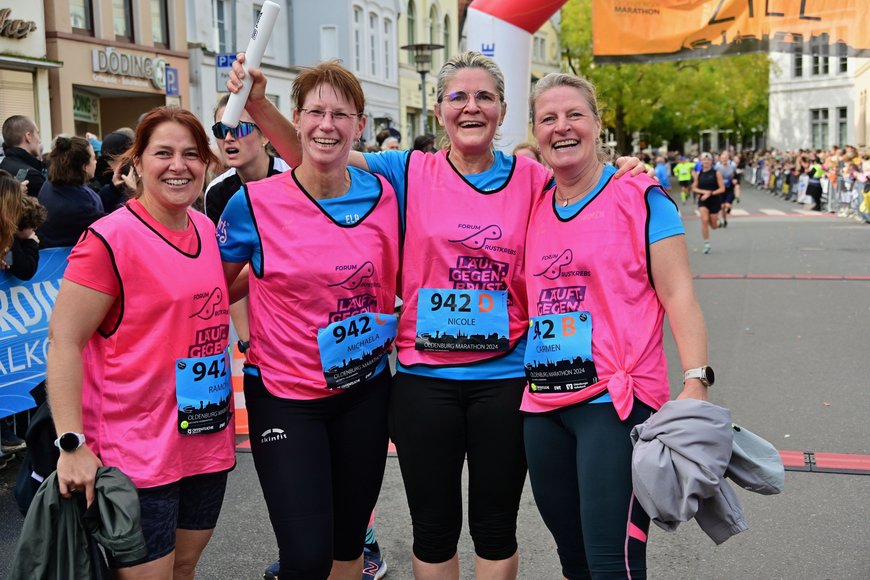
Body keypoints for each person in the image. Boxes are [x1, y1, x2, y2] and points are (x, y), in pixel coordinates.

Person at [228, 50, 645, 580]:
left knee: (496, 527)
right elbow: (318, 156)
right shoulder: (406, 171)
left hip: (507, 377)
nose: (471, 108)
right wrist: (261, 106)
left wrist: (625, 174)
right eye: (458, 98)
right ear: (439, 109)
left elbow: (585, 187)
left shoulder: (532, 179)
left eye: (484, 98)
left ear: (501, 109)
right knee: (433, 527)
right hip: (425, 382)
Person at [523, 72, 712, 580]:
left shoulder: (641, 196)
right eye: (548, 118)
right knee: (574, 556)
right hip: (543, 403)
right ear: (535, 131)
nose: (562, 127)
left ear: (598, 123)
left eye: (574, 115)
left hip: (614, 402)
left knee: (613, 560)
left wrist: (696, 381)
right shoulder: (533, 199)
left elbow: (679, 294)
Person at [219, 61, 400, 580]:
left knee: (349, 547)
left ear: (359, 125)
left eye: (340, 114)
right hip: (285, 397)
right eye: (315, 112)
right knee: (304, 557)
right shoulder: (251, 204)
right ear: (296, 120)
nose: (327, 124)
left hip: (364, 391)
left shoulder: (385, 195)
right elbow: (210, 287)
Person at [46, 106, 235, 579]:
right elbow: (63, 342)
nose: (179, 165)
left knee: (185, 567)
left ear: (206, 164)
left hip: (203, 438)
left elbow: (223, 291)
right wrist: (71, 443)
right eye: (163, 153)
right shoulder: (108, 239)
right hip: (137, 452)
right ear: (136, 164)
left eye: (191, 154)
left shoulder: (208, 233)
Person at [204, 94, 291, 225]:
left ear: (265, 136)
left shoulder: (292, 179)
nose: (228, 138)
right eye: (221, 130)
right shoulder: (216, 191)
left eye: (238, 129)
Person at [36, 136, 105, 248]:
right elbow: (107, 223)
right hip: (66, 259)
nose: (96, 161)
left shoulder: (55, 183)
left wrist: (113, 189)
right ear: (84, 167)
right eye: (93, 158)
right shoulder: (76, 205)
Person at [0, 170, 44, 280]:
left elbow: (10, 262)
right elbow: (25, 270)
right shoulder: (6, 229)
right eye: (15, 201)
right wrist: (31, 242)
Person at [0, 115, 46, 198]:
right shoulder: (32, 175)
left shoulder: (3, 165)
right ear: (28, 137)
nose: (39, 140)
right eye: (37, 133)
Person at [692, 152, 724, 254]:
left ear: (711, 161)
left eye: (708, 160)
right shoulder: (699, 174)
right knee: (704, 220)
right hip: (703, 201)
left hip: (714, 200)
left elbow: (722, 188)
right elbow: (694, 188)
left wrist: (710, 193)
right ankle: (707, 244)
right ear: (701, 162)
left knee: (713, 226)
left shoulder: (716, 173)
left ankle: (718, 223)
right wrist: (703, 192)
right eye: (704, 160)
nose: (706, 161)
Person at [716, 151, 737, 227]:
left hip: (729, 189)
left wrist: (735, 180)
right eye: (722, 158)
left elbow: (736, 176)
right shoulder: (717, 167)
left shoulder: (732, 167)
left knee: (727, 205)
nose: (724, 160)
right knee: (722, 207)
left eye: (725, 158)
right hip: (721, 189)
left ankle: (728, 209)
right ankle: (724, 220)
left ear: (728, 158)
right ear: (720, 159)